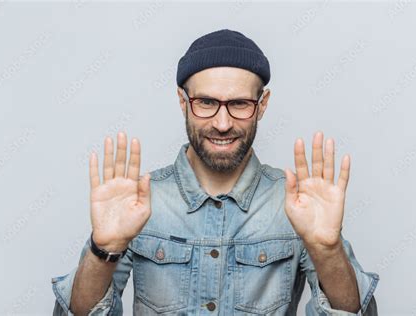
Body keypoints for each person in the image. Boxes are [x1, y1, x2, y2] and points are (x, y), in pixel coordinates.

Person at [51, 29, 379, 315]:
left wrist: (328, 251)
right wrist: (102, 248)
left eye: (239, 104)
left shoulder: (297, 203)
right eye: (206, 103)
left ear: (261, 105)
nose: (222, 124)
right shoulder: (137, 202)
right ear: (183, 102)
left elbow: (358, 313)